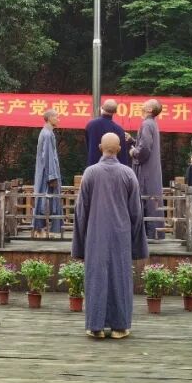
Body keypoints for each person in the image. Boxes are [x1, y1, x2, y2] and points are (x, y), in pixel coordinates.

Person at [72, 132, 147, 339]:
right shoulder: (128, 174)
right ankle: (120, 327)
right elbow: (136, 213)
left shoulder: (90, 173)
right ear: (120, 149)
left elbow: (81, 212)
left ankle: (95, 326)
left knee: (95, 278)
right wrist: (137, 243)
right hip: (121, 234)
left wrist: (79, 244)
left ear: (99, 148)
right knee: (120, 279)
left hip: (95, 234)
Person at [131, 99, 164, 239]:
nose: (141, 104)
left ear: (150, 109)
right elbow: (145, 144)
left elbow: (144, 149)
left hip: (145, 170)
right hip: (152, 169)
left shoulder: (146, 124)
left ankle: (148, 235)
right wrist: (133, 141)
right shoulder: (152, 124)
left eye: (145, 103)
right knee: (152, 200)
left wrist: (133, 152)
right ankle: (155, 234)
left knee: (146, 199)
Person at [32, 110, 62, 237]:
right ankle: (41, 229)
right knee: (45, 199)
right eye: (56, 117)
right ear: (49, 118)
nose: (58, 119)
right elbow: (48, 156)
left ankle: (44, 229)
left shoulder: (47, 132)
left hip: (46, 171)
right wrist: (52, 176)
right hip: (47, 173)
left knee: (45, 199)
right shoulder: (47, 134)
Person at [84, 101, 130, 167]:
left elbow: (88, 145)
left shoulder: (91, 125)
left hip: (93, 165)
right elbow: (122, 155)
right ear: (115, 112)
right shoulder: (119, 129)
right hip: (112, 168)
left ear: (102, 108)